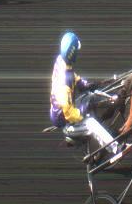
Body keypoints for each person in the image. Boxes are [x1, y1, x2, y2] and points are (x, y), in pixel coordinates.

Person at [49, 32, 122, 164]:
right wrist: (83, 116)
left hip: (64, 109)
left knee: (90, 96)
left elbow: (73, 76)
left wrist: (85, 84)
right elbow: (68, 112)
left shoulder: (61, 60)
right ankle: (116, 149)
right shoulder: (64, 81)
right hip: (66, 121)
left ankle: (110, 100)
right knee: (91, 123)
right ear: (72, 53)